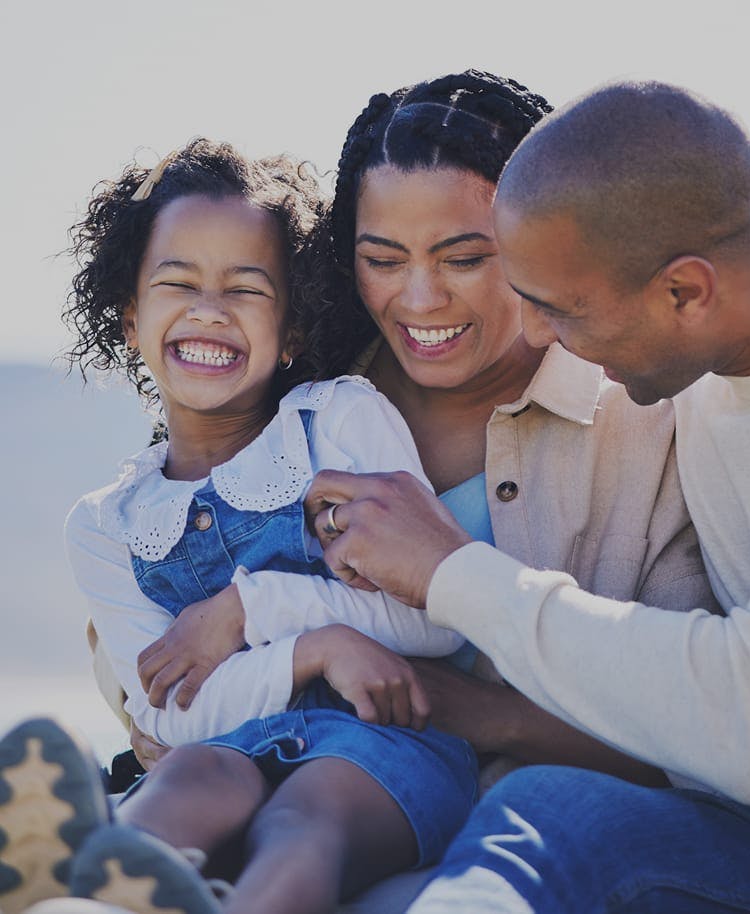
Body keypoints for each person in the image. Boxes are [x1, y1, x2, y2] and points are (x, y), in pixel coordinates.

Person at [108, 71, 717, 913]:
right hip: (267, 786)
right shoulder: (298, 401)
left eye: (466, 258)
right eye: (381, 260)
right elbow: (167, 649)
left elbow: (692, 740)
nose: (421, 298)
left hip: (532, 850)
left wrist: (437, 695)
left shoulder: (648, 428)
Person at [303, 81, 750, 914]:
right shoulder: (721, 337)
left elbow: (748, 726)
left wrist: (452, 572)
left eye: (560, 312)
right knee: (540, 814)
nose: (537, 337)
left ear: (687, 292)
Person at [3, 138, 480, 914]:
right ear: (129, 316)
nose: (209, 309)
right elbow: (166, 713)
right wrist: (316, 650)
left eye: (246, 289)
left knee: (305, 816)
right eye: (177, 282)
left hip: (384, 748)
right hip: (222, 746)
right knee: (191, 776)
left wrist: (253, 611)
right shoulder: (106, 525)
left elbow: (432, 620)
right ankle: (81, 890)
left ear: (293, 330)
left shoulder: (339, 421)